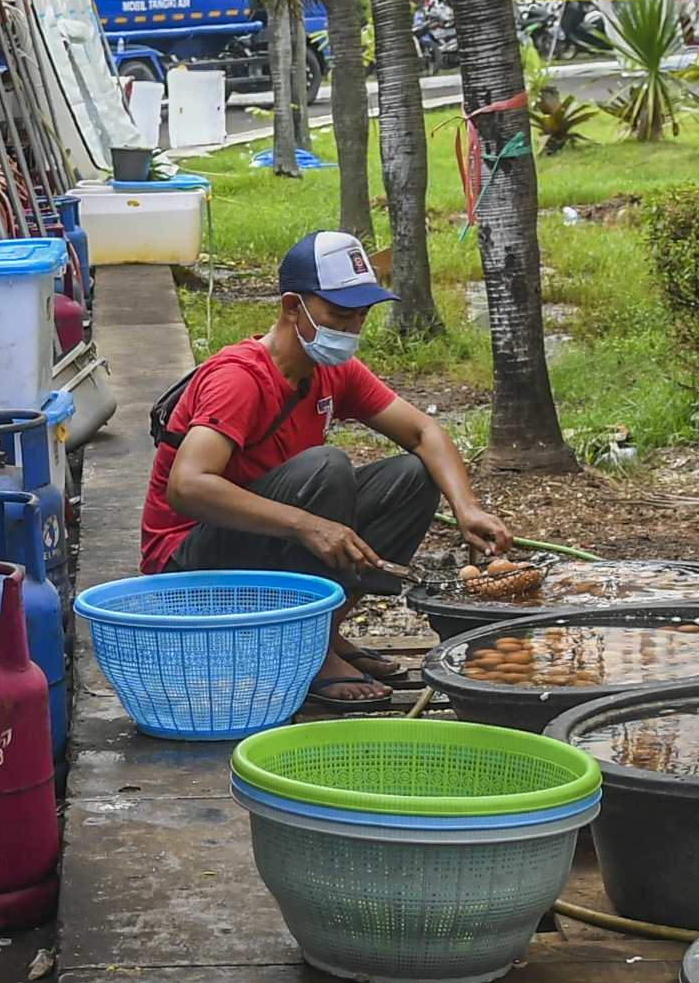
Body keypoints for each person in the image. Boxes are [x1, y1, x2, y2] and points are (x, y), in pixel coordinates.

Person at [140, 228, 512, 711]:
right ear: (292, 307)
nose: (352, 328)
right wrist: (307, 525)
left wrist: (468, 508)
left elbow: (424, 432)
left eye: (361, 315)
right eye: (339, 314)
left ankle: (324, 632)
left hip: (260, 540)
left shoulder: (330, 368)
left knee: (413, 476)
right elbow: (187, 487)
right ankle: (307, 652)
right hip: (187, 562)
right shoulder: (239, 378)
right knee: (327, 467)